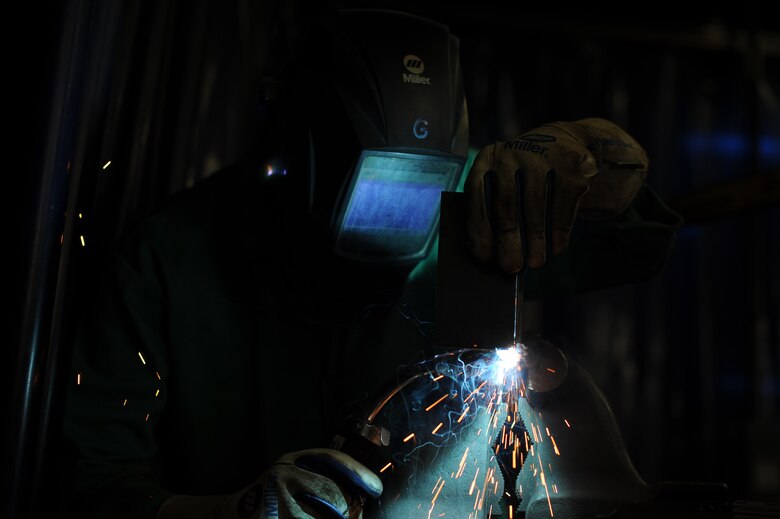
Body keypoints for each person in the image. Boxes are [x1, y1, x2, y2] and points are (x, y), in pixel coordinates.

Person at [59, 8, 683, 519]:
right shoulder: (169, 260)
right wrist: (230, 512)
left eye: (426, 191)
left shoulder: (470, 215)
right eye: (380, 190)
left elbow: (629, 246)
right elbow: (94, 486)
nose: (408, 222)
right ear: (301, 165)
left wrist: (596, 170)